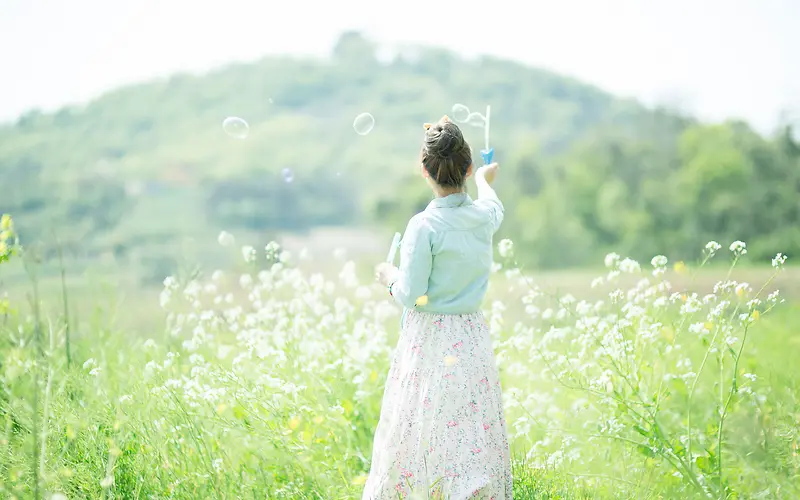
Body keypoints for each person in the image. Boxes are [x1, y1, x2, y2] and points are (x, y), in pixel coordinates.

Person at [364, 116, 512, 499]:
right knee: (468, 427)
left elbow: (411, 294)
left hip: (429, 339)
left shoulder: (423, 226)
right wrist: (484, 183)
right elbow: (495, 207)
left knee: (421, 424)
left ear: (424, 170)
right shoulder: (483, 218)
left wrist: (388, 276)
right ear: (468, 167)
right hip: (470, 336)